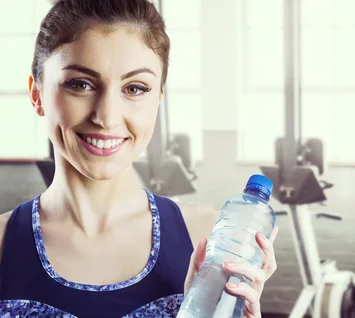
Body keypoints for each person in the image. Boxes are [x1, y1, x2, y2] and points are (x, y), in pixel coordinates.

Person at [0, 0, 279, 317]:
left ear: (158, 98)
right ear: (37, 94)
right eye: (80, 84)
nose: (107, 117)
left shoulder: (206, 235)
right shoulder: (2, 243)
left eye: (135, 88)